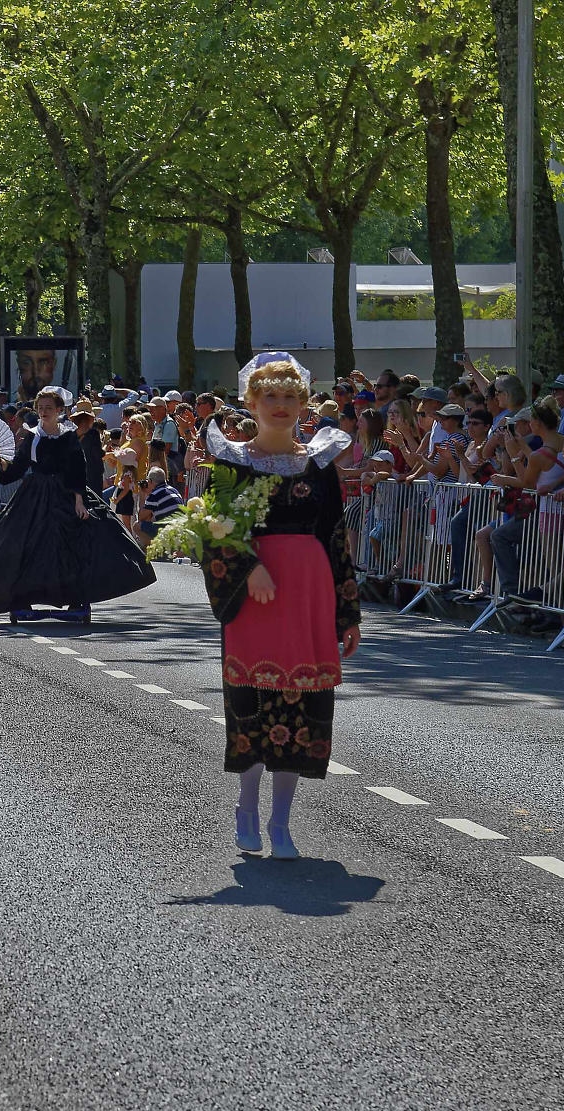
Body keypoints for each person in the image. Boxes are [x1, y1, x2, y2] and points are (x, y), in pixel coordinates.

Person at [198, 353, 359, 860]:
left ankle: (282, 822)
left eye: (291, 397)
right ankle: (246, 808)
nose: (282, 406)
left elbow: (335, 536)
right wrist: (249, 569)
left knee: (300, 704)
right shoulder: (231, 462)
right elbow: (214, 530)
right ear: (252, 401)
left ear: (304, 403)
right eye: (271, 396)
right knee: (253, 704)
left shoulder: (319, 462)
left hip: (308, 594)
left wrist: (347, 612)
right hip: (254, 598)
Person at [0, 387, 155, 621]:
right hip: (34, 495)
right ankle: (23, 599)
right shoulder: (32, 435)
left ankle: (77, 601)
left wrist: (79, 500)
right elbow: (17, 469)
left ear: (60, 410)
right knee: (23, 543)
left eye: (49, 408)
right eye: (40, 408)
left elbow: (77, 468)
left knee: (74, 545)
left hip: (65, 493)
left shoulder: (68, 435)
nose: (44, 412)